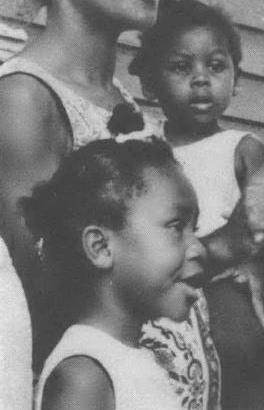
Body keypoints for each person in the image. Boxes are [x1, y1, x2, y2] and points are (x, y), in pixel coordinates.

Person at [0, 0, 264, 409]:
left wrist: (248, 253)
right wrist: (227, 241)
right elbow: (55, 296)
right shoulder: (26, 99)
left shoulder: (124, 103)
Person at [130, 0, 264, 410]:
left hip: (228, 297)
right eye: (182, 68)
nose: (201, 80)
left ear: (236, 79)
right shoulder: (144, 151)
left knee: (243, 382)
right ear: (150, 84)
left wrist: (261, 264)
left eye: (216, 67)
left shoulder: (243, 148)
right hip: (167, 302)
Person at [27, 138, 203, 410]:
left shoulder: (130, 358)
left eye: (196, 229)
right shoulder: (84, 375)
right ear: (101, 247)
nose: (198, 249)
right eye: (176, 226)